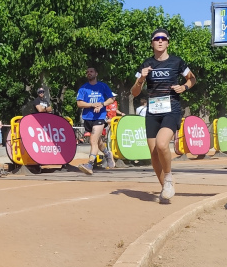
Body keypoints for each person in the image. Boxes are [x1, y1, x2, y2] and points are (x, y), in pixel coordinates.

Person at [130, 30, 195, 203]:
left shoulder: (177, 61)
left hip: (171, 109)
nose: (160, 41)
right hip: (152, 111)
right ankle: (165, 187)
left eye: (163, 38)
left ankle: (168, 177)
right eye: (156, 39)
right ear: (152, 43)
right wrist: (141, 79)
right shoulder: (146, 64)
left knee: (161, 144)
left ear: (167, 42)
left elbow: (192, 79)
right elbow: (134, 92)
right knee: (153, 154)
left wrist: (184, 87)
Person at [76, 65, 115, 173]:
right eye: (88, 72)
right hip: (88, 117)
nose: (89, 73)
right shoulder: (83, 88)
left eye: (91, 71)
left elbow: (111, 99)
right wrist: (92, 105)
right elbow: (79, 103)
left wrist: (102, 104)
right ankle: (107, 153)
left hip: (100, 117)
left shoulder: (102, 86)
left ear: (96, 74)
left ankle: (90, 164)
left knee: (93, 140)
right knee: (97, 141)